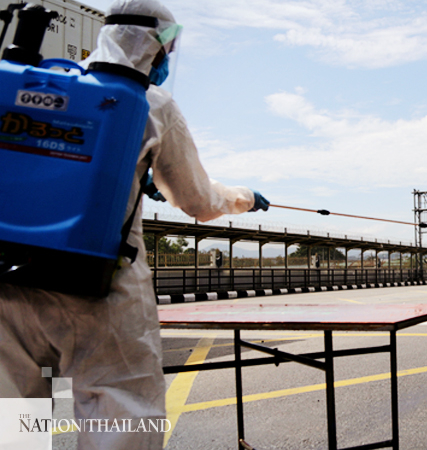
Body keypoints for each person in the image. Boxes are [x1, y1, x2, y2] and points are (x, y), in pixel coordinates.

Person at [0, 1, 270, 448]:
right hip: (97, 292)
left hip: (8, 287)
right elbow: (200, 201)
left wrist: (126, 175)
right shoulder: (148, 102)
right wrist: (244, 198)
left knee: (14, 424)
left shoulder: (28, 78)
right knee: (123, 416)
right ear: (158, 49)